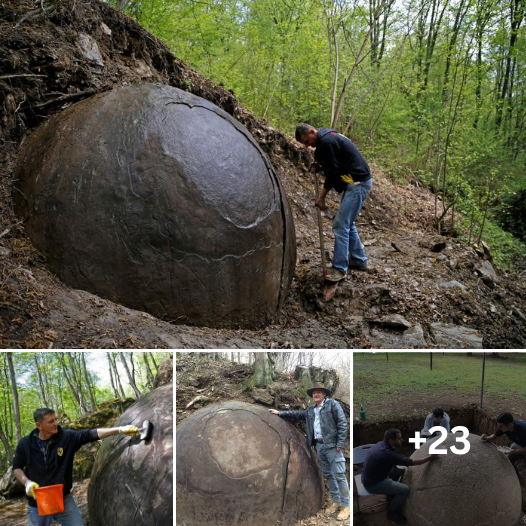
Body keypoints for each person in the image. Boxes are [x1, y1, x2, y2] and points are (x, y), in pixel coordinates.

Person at [13, 407, 140, 526]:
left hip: (63, 499)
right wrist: (27, 482)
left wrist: (119, 429)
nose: (56, 423)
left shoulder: (67, 437)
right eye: (51, 421)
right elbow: (16, 467)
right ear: (39, 425)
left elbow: (91, 434)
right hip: (37, 503)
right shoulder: (25, 443)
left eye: (56, 419)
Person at [295, 123, 373, 282]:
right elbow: (336, 164)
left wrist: (322, 197)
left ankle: (339, 268)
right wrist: (320, 167)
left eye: (306, 141)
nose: (307, 145)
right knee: (347, 224)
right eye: (304, 144)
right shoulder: (327, 139)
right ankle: (359, 261)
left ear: (312, 131)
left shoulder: (327, 141)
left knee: (340, 225)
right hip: (355, 182)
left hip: (358, 184)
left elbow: (333, 173)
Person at [268, 382, 350, 521]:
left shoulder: (332, 405)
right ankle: (336, 501)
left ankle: (346, 505)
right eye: (314, 392)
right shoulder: (311, 410)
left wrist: (340, 443)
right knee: (329, 475)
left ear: (325, 394)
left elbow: (342, 423)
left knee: (339, 475)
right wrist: (280, 413)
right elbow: (298, 414)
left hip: (332, 445)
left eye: (318, 392)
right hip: (319, 446)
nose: (315, 394)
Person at [361, 428, 437, 524]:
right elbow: (412, 462)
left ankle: (390, 493)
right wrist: (430, 457)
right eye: (399, 439)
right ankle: (392, 511)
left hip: (374, 476)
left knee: (400, 469)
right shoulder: (388, 453)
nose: (402, 440)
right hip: (373, 484)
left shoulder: (381, 444)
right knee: (405, 489)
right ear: (391, 441)